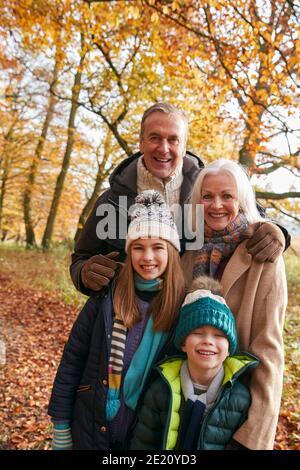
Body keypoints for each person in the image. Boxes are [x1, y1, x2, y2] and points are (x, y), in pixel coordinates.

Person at [70, 102, 289, 296]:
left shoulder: (209, 191)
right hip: (126, 321)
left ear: (184, 146)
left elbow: (256, 217)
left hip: (189, 325)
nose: (163, 148)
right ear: (141, 142)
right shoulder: (111, 201)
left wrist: (279, 232)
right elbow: (80, 257)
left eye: (173, 140)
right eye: (154, 137)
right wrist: (83, 273)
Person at [48, 190, 185, 450]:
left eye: (158, 247)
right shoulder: (105, 299)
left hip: (142, 434)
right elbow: (72, 360)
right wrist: (61, 425)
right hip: (90, 424)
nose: (147, 257)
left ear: (171, 253)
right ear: (128, 251)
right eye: (138, 248)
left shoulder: (179, 309)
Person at [181, 159, 288, 450]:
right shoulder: (188, 252)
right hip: (183, 401)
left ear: (241, 199)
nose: (216, 205)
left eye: (227, 196)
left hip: (234, 410)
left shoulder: (263, 256)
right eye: (207, 196)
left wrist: (252, 437)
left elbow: (269, 350)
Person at [130, 276, 259, 450]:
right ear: (183, 343)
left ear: (229, 349)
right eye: (198, 332)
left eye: (219, 335)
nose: (208, 341)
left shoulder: (240, 399)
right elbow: (143, 444)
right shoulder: (160, 390)